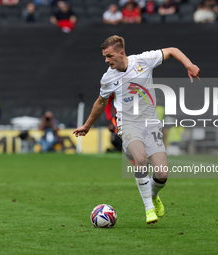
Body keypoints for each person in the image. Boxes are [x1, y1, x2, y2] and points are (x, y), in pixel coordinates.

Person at [73, 35, 200, 224]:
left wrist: (189, 65)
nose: (106, 60)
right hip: (128, 124)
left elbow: (172, 50)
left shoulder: (143, 61)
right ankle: (149, 208)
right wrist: (87, 125)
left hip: (151, 123)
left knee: (162, 174)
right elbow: (101, 102)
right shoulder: (108, 77)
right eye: (104, 57)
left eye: (109, 56)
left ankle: (154, 196)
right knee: (140, 159)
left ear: (121, 52)